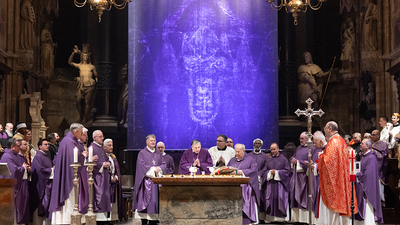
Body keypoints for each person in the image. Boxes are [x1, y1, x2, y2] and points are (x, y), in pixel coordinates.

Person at [317, 121, 358, 224]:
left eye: (325, 128)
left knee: (334, 212)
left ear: (330, 129)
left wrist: (321, 157)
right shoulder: (340, 140)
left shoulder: (333, 142)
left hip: (336, 182)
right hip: (342, 177)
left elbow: (328, 163)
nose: (324, 130)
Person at [49, 123, 88, 224]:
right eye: (80, 132)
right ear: (75, 132)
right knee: (69, 198)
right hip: (68, 176)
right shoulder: (70, 142)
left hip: (67, 174)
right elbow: (73, 161)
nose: (81, 134)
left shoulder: (68, 140)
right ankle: (68, 220)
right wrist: (83, 156)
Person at [132, 134, 166, 225]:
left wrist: (159, 168)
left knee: (154, 203)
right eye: (151, 141)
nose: (153, 142)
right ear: (147, 142)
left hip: (156, 183)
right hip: (146, 183)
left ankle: (153, 221)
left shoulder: (158, 153)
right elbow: (141, 166)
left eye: (154, 141)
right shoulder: (142, 153)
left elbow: (164, 164)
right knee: (145, 203)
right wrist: (152, 169)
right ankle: (144, 221)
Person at [227, 143, 260, 225]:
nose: (237, 154)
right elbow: (227, 169)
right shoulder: (232, 160)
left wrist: (240, 172)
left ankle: (248, 220)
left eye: (239, 152)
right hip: (234, 187)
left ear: (244, 151)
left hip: (246, 187)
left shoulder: (250, 159)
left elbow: (254, 170)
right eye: (236, 151)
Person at [0, 138, 30, 225]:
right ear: (12, 147)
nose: (19, 148)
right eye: (18, 146)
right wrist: (23, 168)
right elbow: (13, 171)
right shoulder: (7, 156)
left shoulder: (14, 155)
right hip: (9, 188)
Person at [354, 139, 383, 224]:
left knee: (367, 207)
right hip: (364, 185)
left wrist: (358, 174)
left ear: (367, 146)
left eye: (362, 144)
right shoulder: (365, 156)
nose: (360, 145)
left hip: (369, 187)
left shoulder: (371, 157)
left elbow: (368, 174)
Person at [290, 131, 316, 223]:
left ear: (308, 139)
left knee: (306, 197)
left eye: (302, 139)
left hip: (306, 177)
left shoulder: (312, 148)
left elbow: (312, 162)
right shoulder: (298, 148)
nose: (301, 140)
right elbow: (293, 157)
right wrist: (293, 161)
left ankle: (306, 219)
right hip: (297, 177)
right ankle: (297, 219)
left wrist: (299, 163)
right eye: (300, 139)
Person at [68, 44, 98, 124]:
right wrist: (73, 53)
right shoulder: (80, 65)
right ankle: (81, 115)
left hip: (90, 86)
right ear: (82, 57)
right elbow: (70, 62)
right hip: (81, 86)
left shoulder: (92, 67)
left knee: (87, 102)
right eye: (84, 56)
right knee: (78, 101)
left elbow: (96, 76)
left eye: (87, 56)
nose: (86, 57)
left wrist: (96, 81)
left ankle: (85, 118)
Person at [261, 143, 290, 222]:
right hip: (270, 184)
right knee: (270, 200)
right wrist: (270, 172)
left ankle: (280, 219)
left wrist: (277, 173)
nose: (272, 151)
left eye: (274, 149)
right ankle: (270, 218)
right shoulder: (269, 160)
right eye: (271, 149)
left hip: (280, 185)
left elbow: (287, 171)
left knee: (279, 199)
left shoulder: (284, 159)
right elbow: (264, 171)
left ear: (278, 149)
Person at [30, 138, 54, 225]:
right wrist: (51, 170)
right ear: (40, 146)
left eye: (48, 144)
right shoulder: (38, 157)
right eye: (45, 144)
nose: (48, 146)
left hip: (47, 184)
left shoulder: (46, 157)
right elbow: (40, 171)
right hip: (41, 186)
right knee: (41, 205)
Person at [90, 130, 112, 222]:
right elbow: (90, 163)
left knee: (105, 197)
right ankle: (99, 220)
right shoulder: (92, 148)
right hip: (98, 179)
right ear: (95, 138)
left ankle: (105, 220)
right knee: (99, 197)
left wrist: (108, 163)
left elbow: (107, 159)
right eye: (100, 136)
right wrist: (102, 165)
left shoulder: (102, 148)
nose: (102, 138)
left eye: (102, 136)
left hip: (105, 178)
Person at [103, 138, 127, 222]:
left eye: (112, 145)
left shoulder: (113, 157)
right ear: (104, 146)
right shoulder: (103, 156)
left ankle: (112, 219)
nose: (111, 147)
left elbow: (117, 170)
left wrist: (116, 177)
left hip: (114, 183)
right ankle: (106, 220)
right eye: (109, 145)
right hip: (106, 184)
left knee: (113, 203)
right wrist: (110, 178)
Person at [248, 138, 269, 219]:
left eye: (259, 144)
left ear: (261, 145)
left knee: (261, 198)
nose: (257, 145)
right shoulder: (249, 156)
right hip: (251, 180)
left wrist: (259, 174)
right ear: (253, 145)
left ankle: (261, 217)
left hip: (261, 179)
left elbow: (266, 167)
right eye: (256, 143)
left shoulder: (265, 156)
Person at [370, 129, 388, 204]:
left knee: (379, 189)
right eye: (372, 135)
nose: (372, 136)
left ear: (378, 135)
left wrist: (373, 151)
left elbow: (382, 156)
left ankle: (381, 203)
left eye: (374, 135)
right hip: (369, 168)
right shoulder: (369, 143)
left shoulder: (383, 144)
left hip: (378, 168)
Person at [311, 131, 326, 216]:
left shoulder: (327, 149)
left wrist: (316, 167)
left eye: (315, 142)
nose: (314, 145)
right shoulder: (321, 149)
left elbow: (328, 165)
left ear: (320, 141)